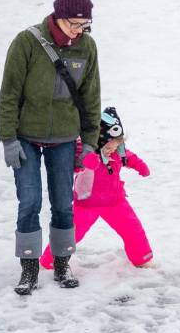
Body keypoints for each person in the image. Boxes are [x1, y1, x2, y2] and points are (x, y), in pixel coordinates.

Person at [0, 0, 102, 296]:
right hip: (26, 137)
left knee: (63, 204)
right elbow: (9, 94)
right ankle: (28, 267)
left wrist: (91, 143)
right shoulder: (27, 42)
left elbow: (91, 98)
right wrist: (8, 139)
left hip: (65, 138)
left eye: (85, 25)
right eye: (74, 24)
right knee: (29, 200)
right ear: (58, 17)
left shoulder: (87, 48)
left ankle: (61, 263)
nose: (79, 31)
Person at [39, 107, 153, 271]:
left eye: (115, 147)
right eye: (108, 148)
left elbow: (129, 157)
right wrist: (87, 162)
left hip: (115, 202)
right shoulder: (84, 151)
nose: (112, 151)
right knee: (71, 234)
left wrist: (140, 166)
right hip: (86, 204)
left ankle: (141, 259)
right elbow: (75, 165)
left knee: (133, 229)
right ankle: (49, 261)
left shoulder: (118, 152)